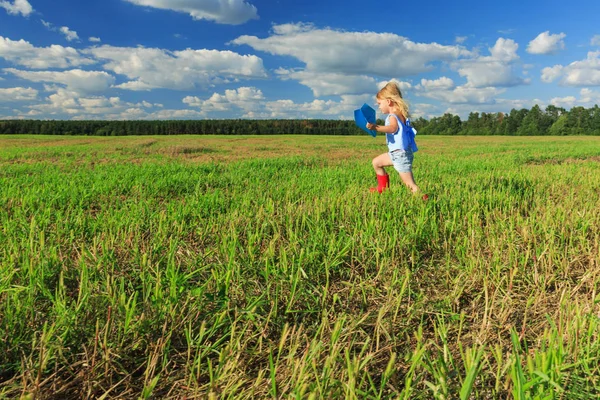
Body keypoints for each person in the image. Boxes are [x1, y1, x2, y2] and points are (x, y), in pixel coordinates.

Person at [366, 81, 421, 195]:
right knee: (376, 162)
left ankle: (423, 199)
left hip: (400, 154)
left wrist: (375, 127)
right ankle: (382, 188)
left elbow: (392, 128)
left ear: (388, 102)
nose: (379, 107)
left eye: (379, 103)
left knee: (410, 184)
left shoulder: (393, 116)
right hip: (397, 153)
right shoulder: (400, 114)